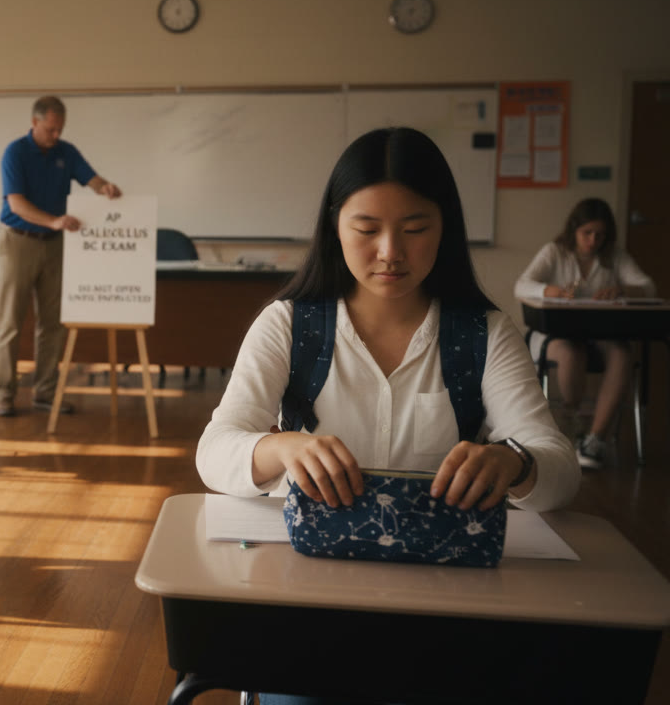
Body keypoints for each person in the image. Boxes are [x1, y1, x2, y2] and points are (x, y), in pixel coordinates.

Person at [197, 128, 580, 703]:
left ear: (444, 227)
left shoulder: (483, 334)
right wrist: (282, 449)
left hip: (445, 605)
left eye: (415, 229)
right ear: (335, 226)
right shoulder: (290, 325)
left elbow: (559, 470)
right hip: (307, 599)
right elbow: (213, 451)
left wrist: (514, 462)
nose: (390, 253)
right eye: (367, 229)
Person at [0, 96, 123, 417]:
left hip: (54, 245)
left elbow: (90, 178)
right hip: (18, 242)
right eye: (50, 129)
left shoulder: (66, 151)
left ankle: (46, 393)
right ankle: (4, 394)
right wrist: (53, 220)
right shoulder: (15, 152)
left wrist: (105, 187)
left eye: (59, 130)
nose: (55, 136)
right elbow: (16, 204)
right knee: (11, 321)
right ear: (35, 123)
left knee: (52, 323)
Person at [514, 197, 655, 469]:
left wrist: (624, 290)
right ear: (574, 230)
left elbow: (648, 287)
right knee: (570, 352)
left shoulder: (615, 256)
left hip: (600, 335)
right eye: (587, 233)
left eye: (599, 235)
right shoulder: (554, 251)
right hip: (558, 336)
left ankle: (595, 439)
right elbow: (522, 285)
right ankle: (571, 419)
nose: (593, 240)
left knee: (622, 353)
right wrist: (550, 291)